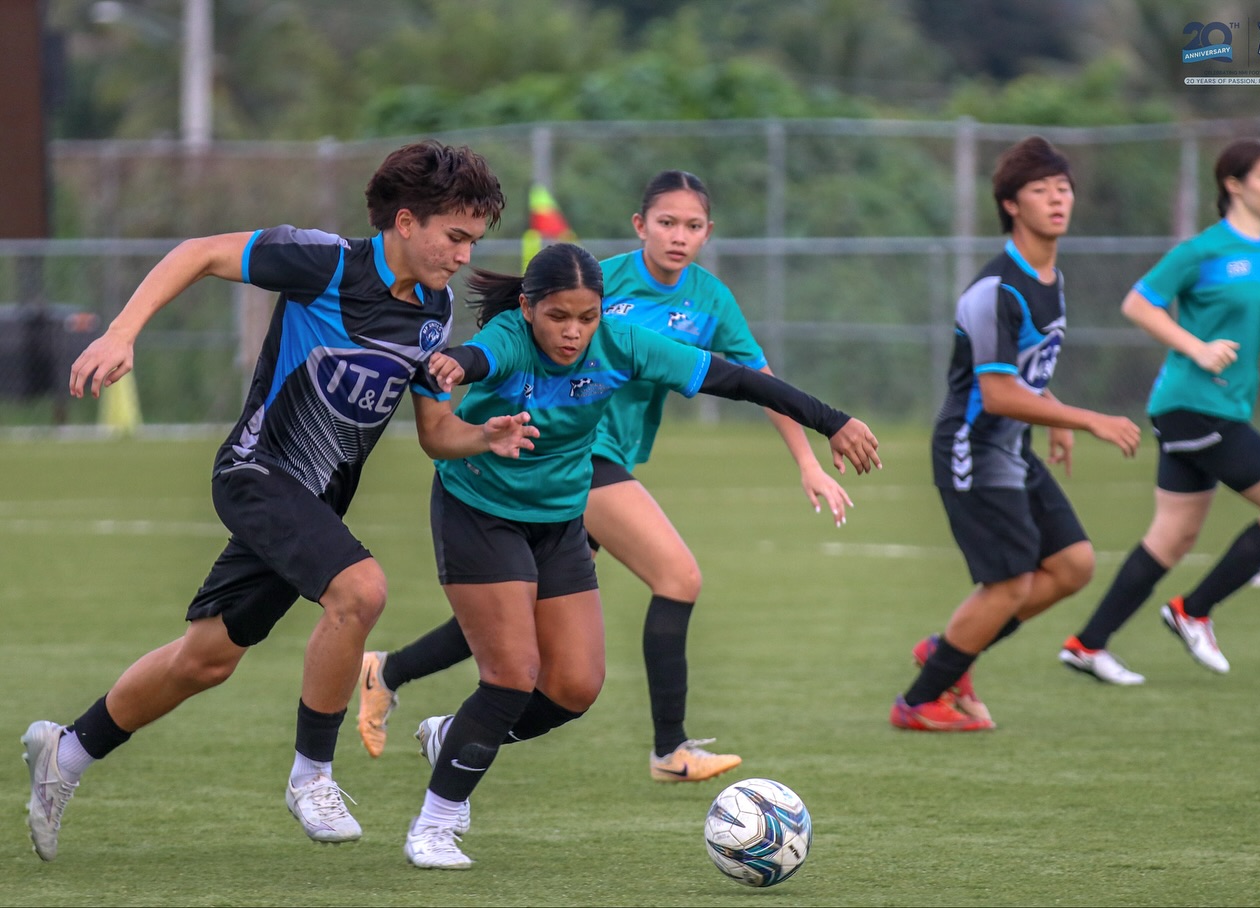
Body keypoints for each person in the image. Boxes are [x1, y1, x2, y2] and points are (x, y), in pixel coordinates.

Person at [21, 140, 537, 862]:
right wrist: (121, 332)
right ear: (406, 221)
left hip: (314, 506)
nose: (463, 255)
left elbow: (433, 434)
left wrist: (483, 436)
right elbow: (199, 253)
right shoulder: (324, 262)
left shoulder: (435, 309)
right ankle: (312, 776)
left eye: (473, 241)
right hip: (256, 473)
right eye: (454, 237)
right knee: (361, 590)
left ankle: (66, 752)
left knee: (205, 659)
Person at [357, 170, 857, 782]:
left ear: (708, 232)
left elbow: (751, 377)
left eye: (692, 225)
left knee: (519, 615)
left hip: (602, 463)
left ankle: (392, 672)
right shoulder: (599, 280)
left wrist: (810, 453)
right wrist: (459, 363)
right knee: (676, 577)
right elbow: (498, 347)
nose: (678, 236)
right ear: (640, 226)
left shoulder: (709, 299)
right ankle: (670, 749)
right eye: (667, 222)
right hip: (575, 459)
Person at [398, 241, 879, 869]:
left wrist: (831, 420)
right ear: (528, 307)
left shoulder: (622, 343)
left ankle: (454, 734)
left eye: (587, 317)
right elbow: (477, 357)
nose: (573, 333)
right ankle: (435, 824)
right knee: (513, 673)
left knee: (575, 687)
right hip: (480, 511)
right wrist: (454, 364)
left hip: (559, 518)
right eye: (558, 316)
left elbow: (736, 379)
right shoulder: (511, 337)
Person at [1058, 138, 1260, 683]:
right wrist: (1196, 347)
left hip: (1214, 410)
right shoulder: (1203, 250)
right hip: (1196, 406)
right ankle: (1192, 612)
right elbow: (1137, 303)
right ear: (1233, 185)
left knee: (1172, 537)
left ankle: (1087, 644)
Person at [891, 136, 1142, 732]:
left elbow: (1021, 372)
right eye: (1040, 190)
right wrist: (1087, 418)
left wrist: (1050, 409)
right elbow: (997, 392)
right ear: (1010, 204)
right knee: (1008, 583)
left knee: (1073, 565)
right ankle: (920, 700)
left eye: (1064, 188)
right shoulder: (995, 290)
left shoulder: (1049, 277)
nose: (1057, 199)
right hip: (972, 445)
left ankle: (950, 649)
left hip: (1010, 445)